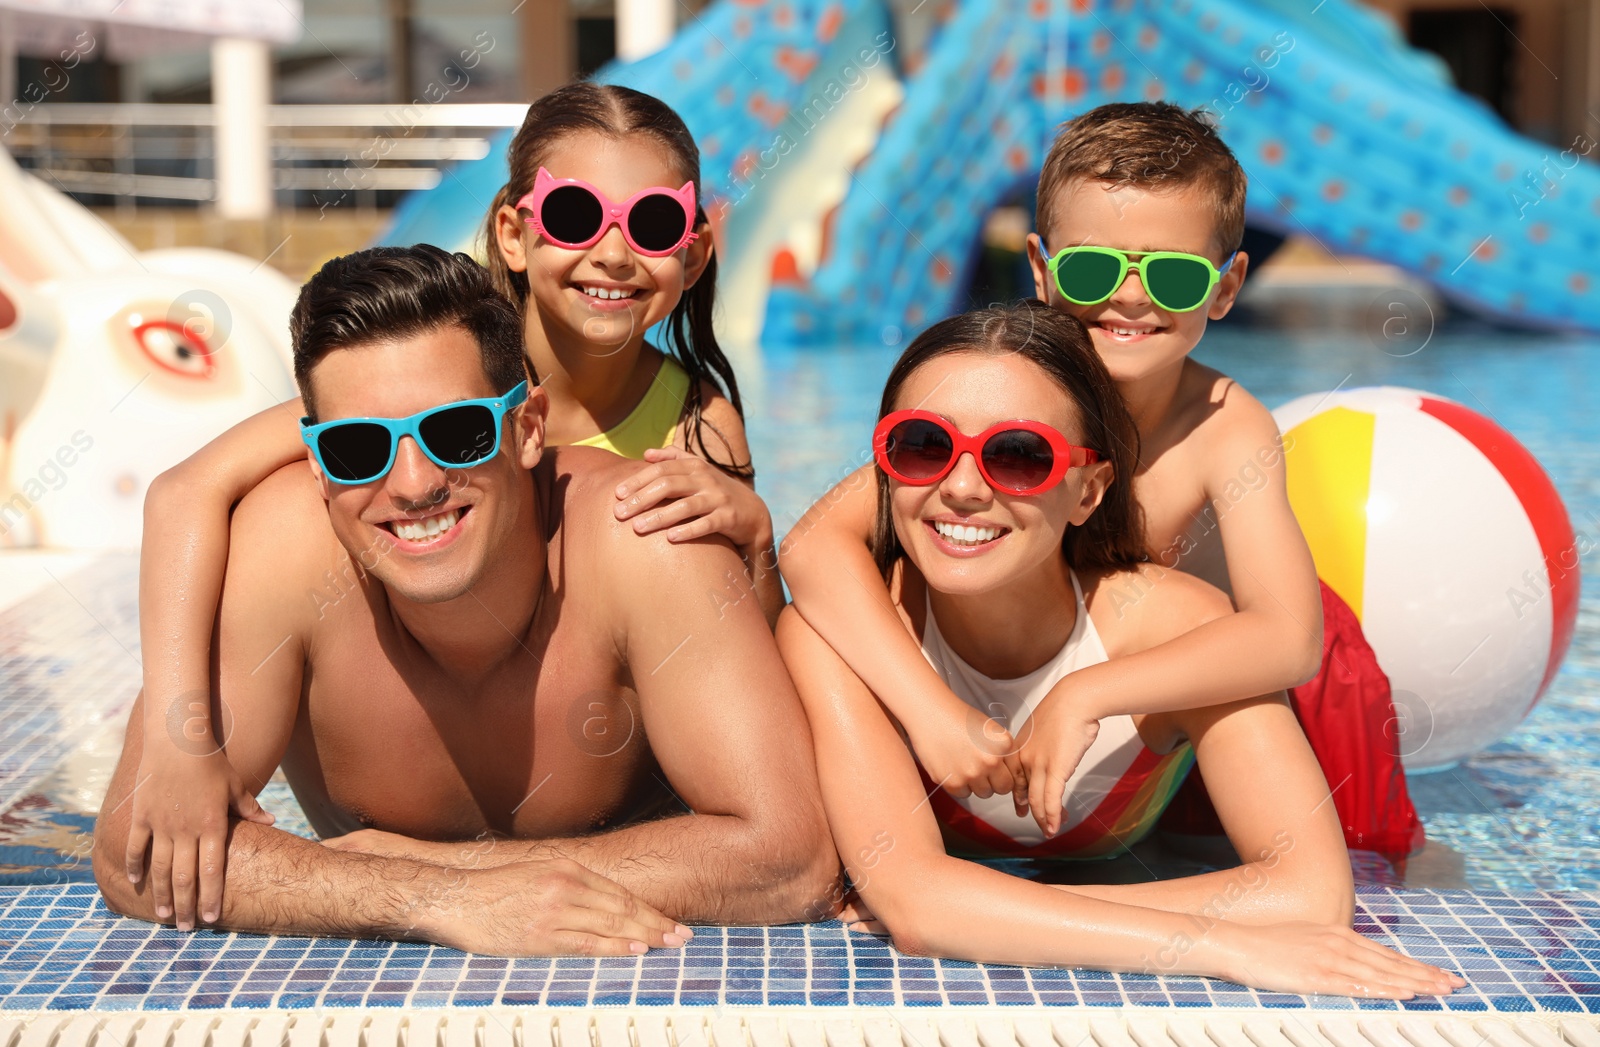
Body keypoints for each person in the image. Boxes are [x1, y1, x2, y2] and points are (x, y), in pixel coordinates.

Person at [126, 83, 786, 932]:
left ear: (691, 255)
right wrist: (184, 740)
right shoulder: (427, 377)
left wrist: (758, 542)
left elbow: (745, 646)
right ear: (514, 231)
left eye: (652, 226)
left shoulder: (701, 422)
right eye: (578, 216)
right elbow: (185, 491)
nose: (614, 255)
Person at [780, 101, 1422, 857]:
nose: (1129, 298)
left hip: (1223, 678)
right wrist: (930, 710)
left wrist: (1085, 693)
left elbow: (1287, 637)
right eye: (1093, 267)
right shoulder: (1005, 391)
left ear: (1226, 285)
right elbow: (814, 547)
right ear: (1043, 272)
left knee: (1356, 868)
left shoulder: (1221, 425)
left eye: (1174, 278)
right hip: (1068, 672)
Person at [776, 302, 1459, 996]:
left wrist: (980, 908)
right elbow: (923, 910)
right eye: (922, 444)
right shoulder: (839, 639)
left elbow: (1311, 896)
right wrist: (1221, 943)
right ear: (886, 467)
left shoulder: (1179, 629)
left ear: (1089, 489)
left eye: (1019, 456)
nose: (959, 487)